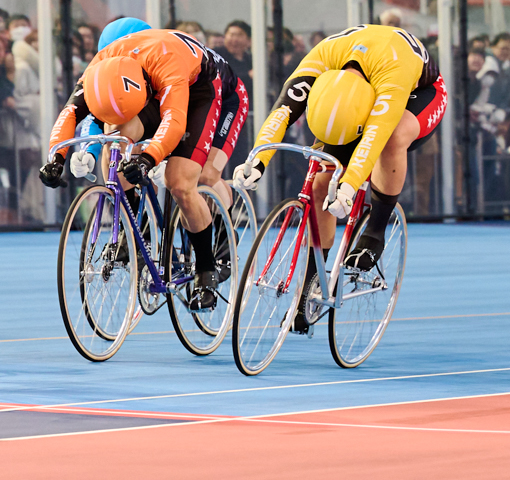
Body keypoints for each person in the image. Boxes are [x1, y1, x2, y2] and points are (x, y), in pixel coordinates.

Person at [234, 23, 445, 326]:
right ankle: (311, 281)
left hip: (419, 91)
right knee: (321, 184)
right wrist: (257, 160)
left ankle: (375, 232)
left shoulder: (392, 75)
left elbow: (372, 138)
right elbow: (281, 113)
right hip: (351, 91)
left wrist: (348, 187)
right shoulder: (319, 60)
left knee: (393, 138)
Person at [38, 26, 247, 310]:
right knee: (116, 142)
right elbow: (70, 113)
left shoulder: (168, 66)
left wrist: (148, 158)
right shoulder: (97, 68)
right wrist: (56, 157)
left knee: (183, 182)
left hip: (206, 89)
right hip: (155, 82)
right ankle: (138, 233)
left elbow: (173, 121)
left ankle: (207, 269)